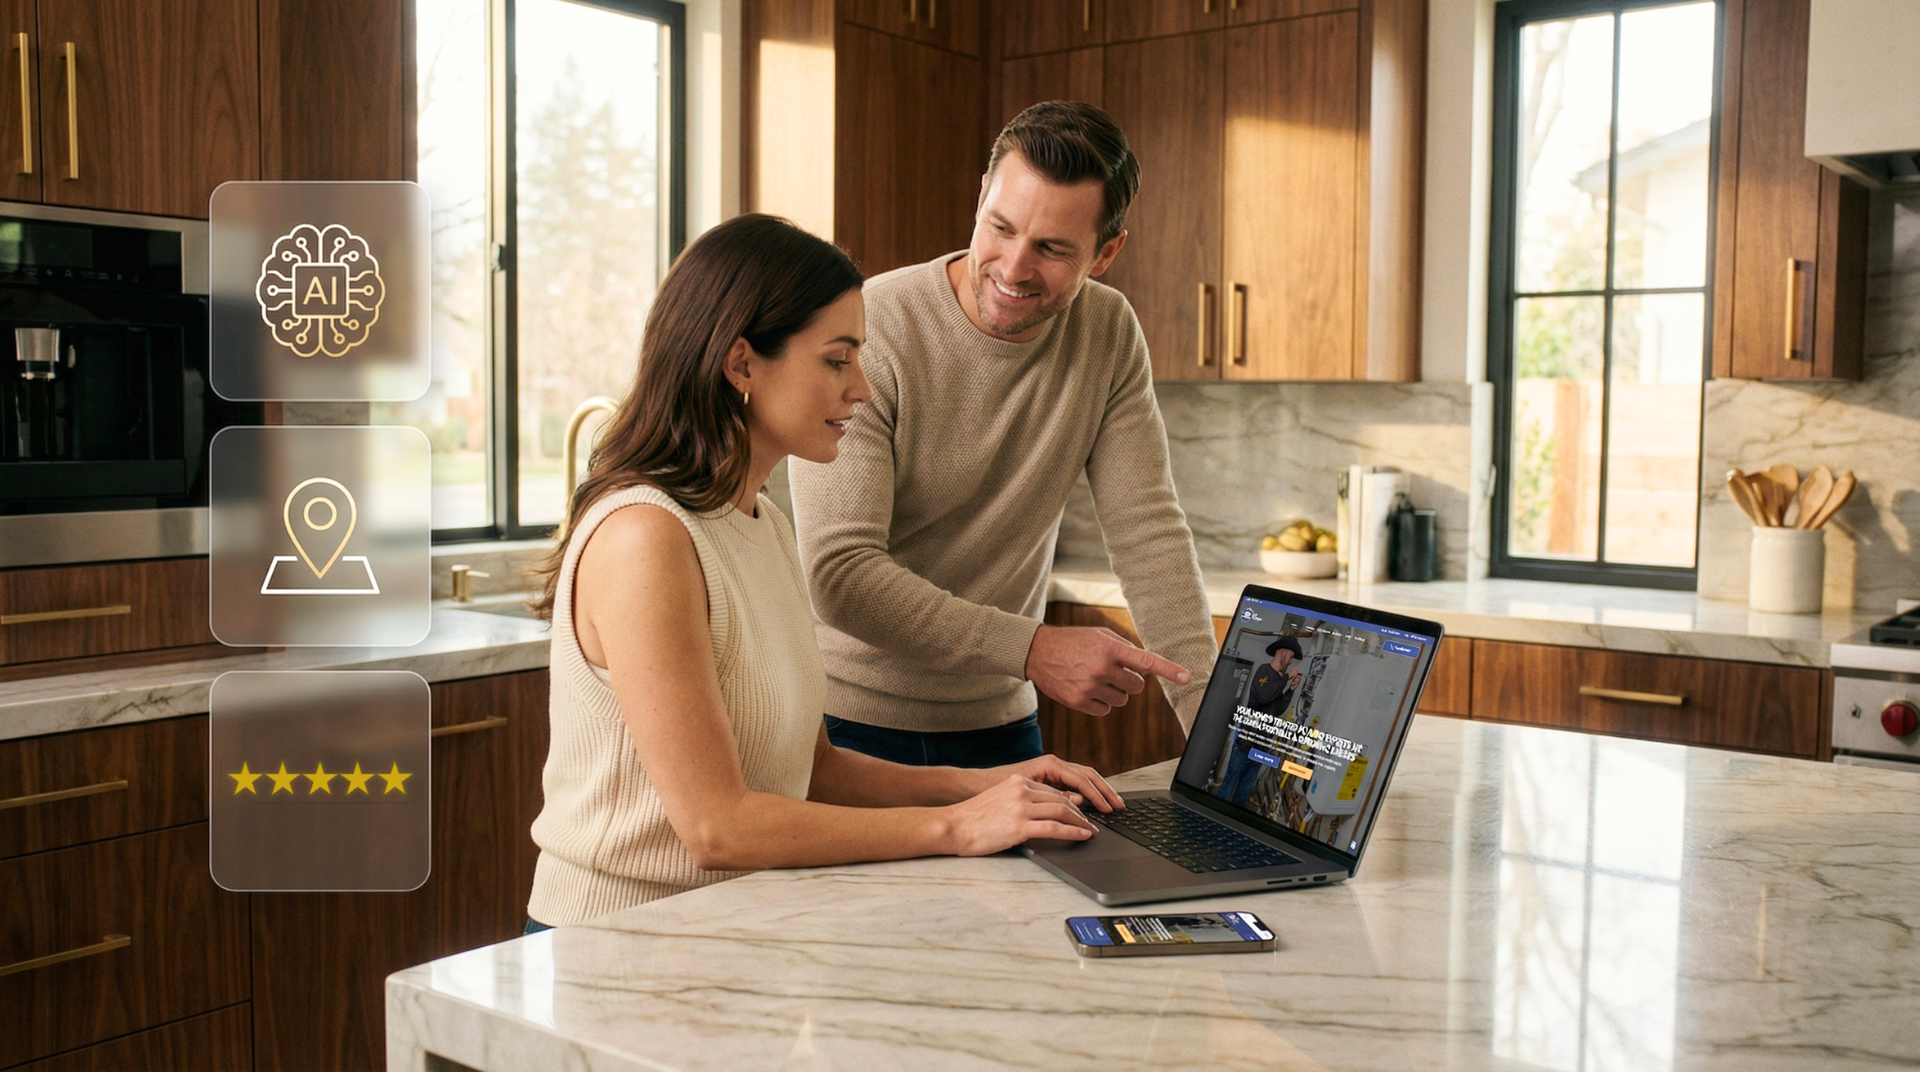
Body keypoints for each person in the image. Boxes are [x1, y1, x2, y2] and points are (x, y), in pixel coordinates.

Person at [522, 214, 1122, 931]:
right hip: (615, 942)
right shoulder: (646, 537)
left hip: (730, 931)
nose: (862, 389)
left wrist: (985, 785)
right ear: (742, 364)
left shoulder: (759, 522)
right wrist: (957, 828)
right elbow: (719, 828)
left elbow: (816, 770)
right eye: (838, 360)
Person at [790, 101, 1219, 768]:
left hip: (1002, 728)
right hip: (847, 725)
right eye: (1001, 228)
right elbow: (841, 574)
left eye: (1051, 248)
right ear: (980, 199)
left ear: (1106, 253)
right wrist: (1033, 649)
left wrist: (1218, 740)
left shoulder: (1106, 332)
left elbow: (1149, 532)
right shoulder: (874, 327)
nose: (1014, 268)